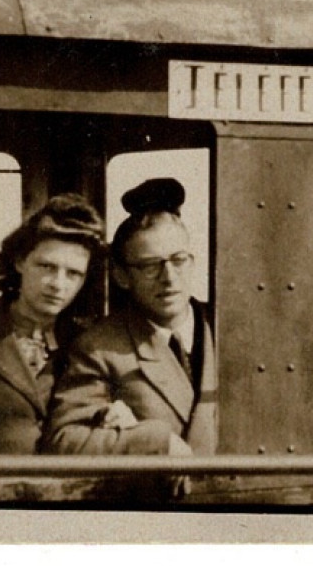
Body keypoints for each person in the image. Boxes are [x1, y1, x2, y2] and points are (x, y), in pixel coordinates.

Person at [44, 177, 216, 457]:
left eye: (179, 260)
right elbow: (64, 442)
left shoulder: (229, 328)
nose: (169, 277)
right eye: (150, 266)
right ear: (122, 276)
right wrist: (152, 442)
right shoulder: (98, 348)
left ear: (192, 262)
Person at [0, 193, 102, 454]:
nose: (58, 284)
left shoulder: (91, 345)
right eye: (47, 266)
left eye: (73, 273)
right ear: (20, 261)